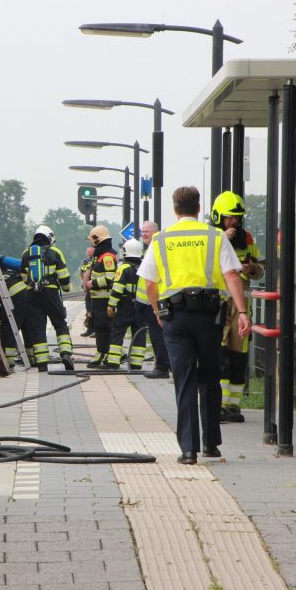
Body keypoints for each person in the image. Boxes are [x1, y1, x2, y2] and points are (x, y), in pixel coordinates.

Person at [138, 186, 250, 465]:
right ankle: (211, 444)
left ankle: (188, 449)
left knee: (184, 379)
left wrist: (156, 311)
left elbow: (150, 283)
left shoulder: (161, 239)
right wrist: (244, 312)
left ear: (175, 209)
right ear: (199, 208)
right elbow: (232, 276)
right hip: (209, 316)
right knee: (210, 376)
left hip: (174, 317)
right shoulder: (214, 236)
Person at [211, 191, 264, 423]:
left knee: (238, 356)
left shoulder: (248, 239)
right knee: (220, 355)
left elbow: (261, 269)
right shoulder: (212, 237)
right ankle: (219, 404)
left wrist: (250, 268)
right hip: (219, 304)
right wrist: (223, 237)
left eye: (237, 218)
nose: (234, 222)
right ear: (217, 217)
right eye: (229, 217)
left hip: (241, 306)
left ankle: (233, 405)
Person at [21, 225, 73, 372]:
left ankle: (42, 364)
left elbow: (24, 277)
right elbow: (64, 275)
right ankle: (65, 354)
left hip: (32, 294)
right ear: (49, 237)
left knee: (37, 328)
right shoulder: (55, 252)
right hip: (50, 293)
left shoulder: (26, 253)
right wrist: (66, 288)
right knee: (60, 323)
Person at [0, 256, 33, 366]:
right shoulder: (6, 273)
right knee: (27, 327)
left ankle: (8, 361)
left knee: (8, 326)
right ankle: (32, 359)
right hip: (28, 295)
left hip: (16, 297)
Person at [104, 238, 147, 370]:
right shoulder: (144, 268)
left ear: (125, 252)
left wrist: (111, 305)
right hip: (141, 307)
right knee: (139, 334)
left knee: (118, 332)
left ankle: (113, 362)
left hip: (125, 307)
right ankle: (136, 364)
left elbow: (117, 289)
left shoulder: (123, 269)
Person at [137, 221, 171, 379]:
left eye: (147, 231)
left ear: (155, 232)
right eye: (142, 231)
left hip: (158, 300)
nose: (144, 234)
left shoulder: (156, 245)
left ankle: (162, 367)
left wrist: (155, 306)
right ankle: (164, 364)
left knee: (158, 334)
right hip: (153, 300)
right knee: (158, 333)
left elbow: (151, 281)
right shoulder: (152, 247)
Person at [84, 225, 117, 369]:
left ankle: (108, 354)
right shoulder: (100, 256)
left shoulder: (108, 257)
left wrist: (93, 283)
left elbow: (111, 278)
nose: (92, 243)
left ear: (98, 240)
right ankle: (101, 353)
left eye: (93, 241)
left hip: (105, 300)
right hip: (97, 301)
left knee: (106, 328)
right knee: (99, 328)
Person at [78, 246, 95, 337]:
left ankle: (95, 329)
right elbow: (82, 272)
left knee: (94, 309)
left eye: (90, 252)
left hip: (95, 286)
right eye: (87, 252)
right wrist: (84, 283)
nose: (88, 253)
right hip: (89, 287)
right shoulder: (86, 261)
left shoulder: (95, 260)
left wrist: (85, 284)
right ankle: (90, 328)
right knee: (89, 309)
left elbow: (87, 274)